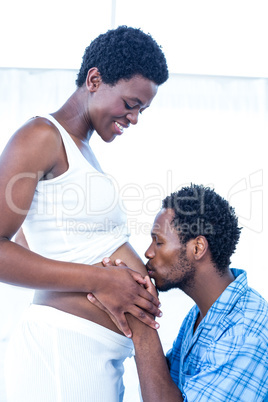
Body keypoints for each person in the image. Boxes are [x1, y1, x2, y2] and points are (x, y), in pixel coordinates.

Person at [0, 26, 168, 401]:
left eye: (143, 109)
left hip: (93, 355)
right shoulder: (42, 137)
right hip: (62, 352)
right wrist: (100, 280)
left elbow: (36, 247)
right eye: (130, 103)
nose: (135, 118)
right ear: (94, 79)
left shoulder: (82, 152)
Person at [93, 184, 268, 401]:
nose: (148, 252)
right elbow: (167, 388)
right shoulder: (200, 316)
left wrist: (141, 324)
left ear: (197, 248)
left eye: (159, 242)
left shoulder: (245, 330)